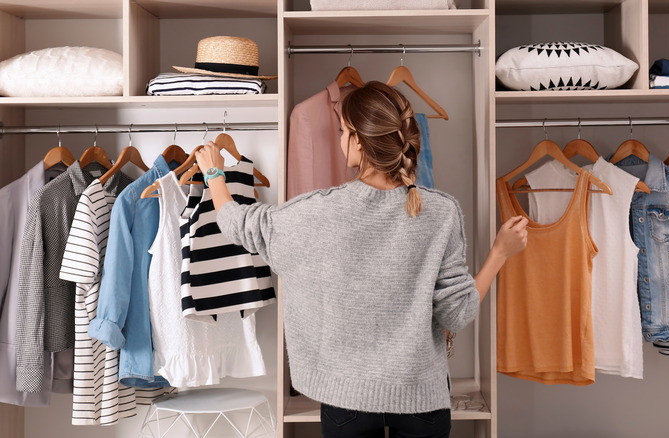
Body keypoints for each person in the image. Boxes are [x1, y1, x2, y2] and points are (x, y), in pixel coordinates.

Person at [195, 81, 528, 438]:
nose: (340, 140)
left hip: (347, 401)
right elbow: (457, 313)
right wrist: (499, 254)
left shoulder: (318, 210)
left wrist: (215, 174)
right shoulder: (441, 212)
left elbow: (238, 225)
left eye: (343, 131)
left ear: (358, 140)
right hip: (422, 401)